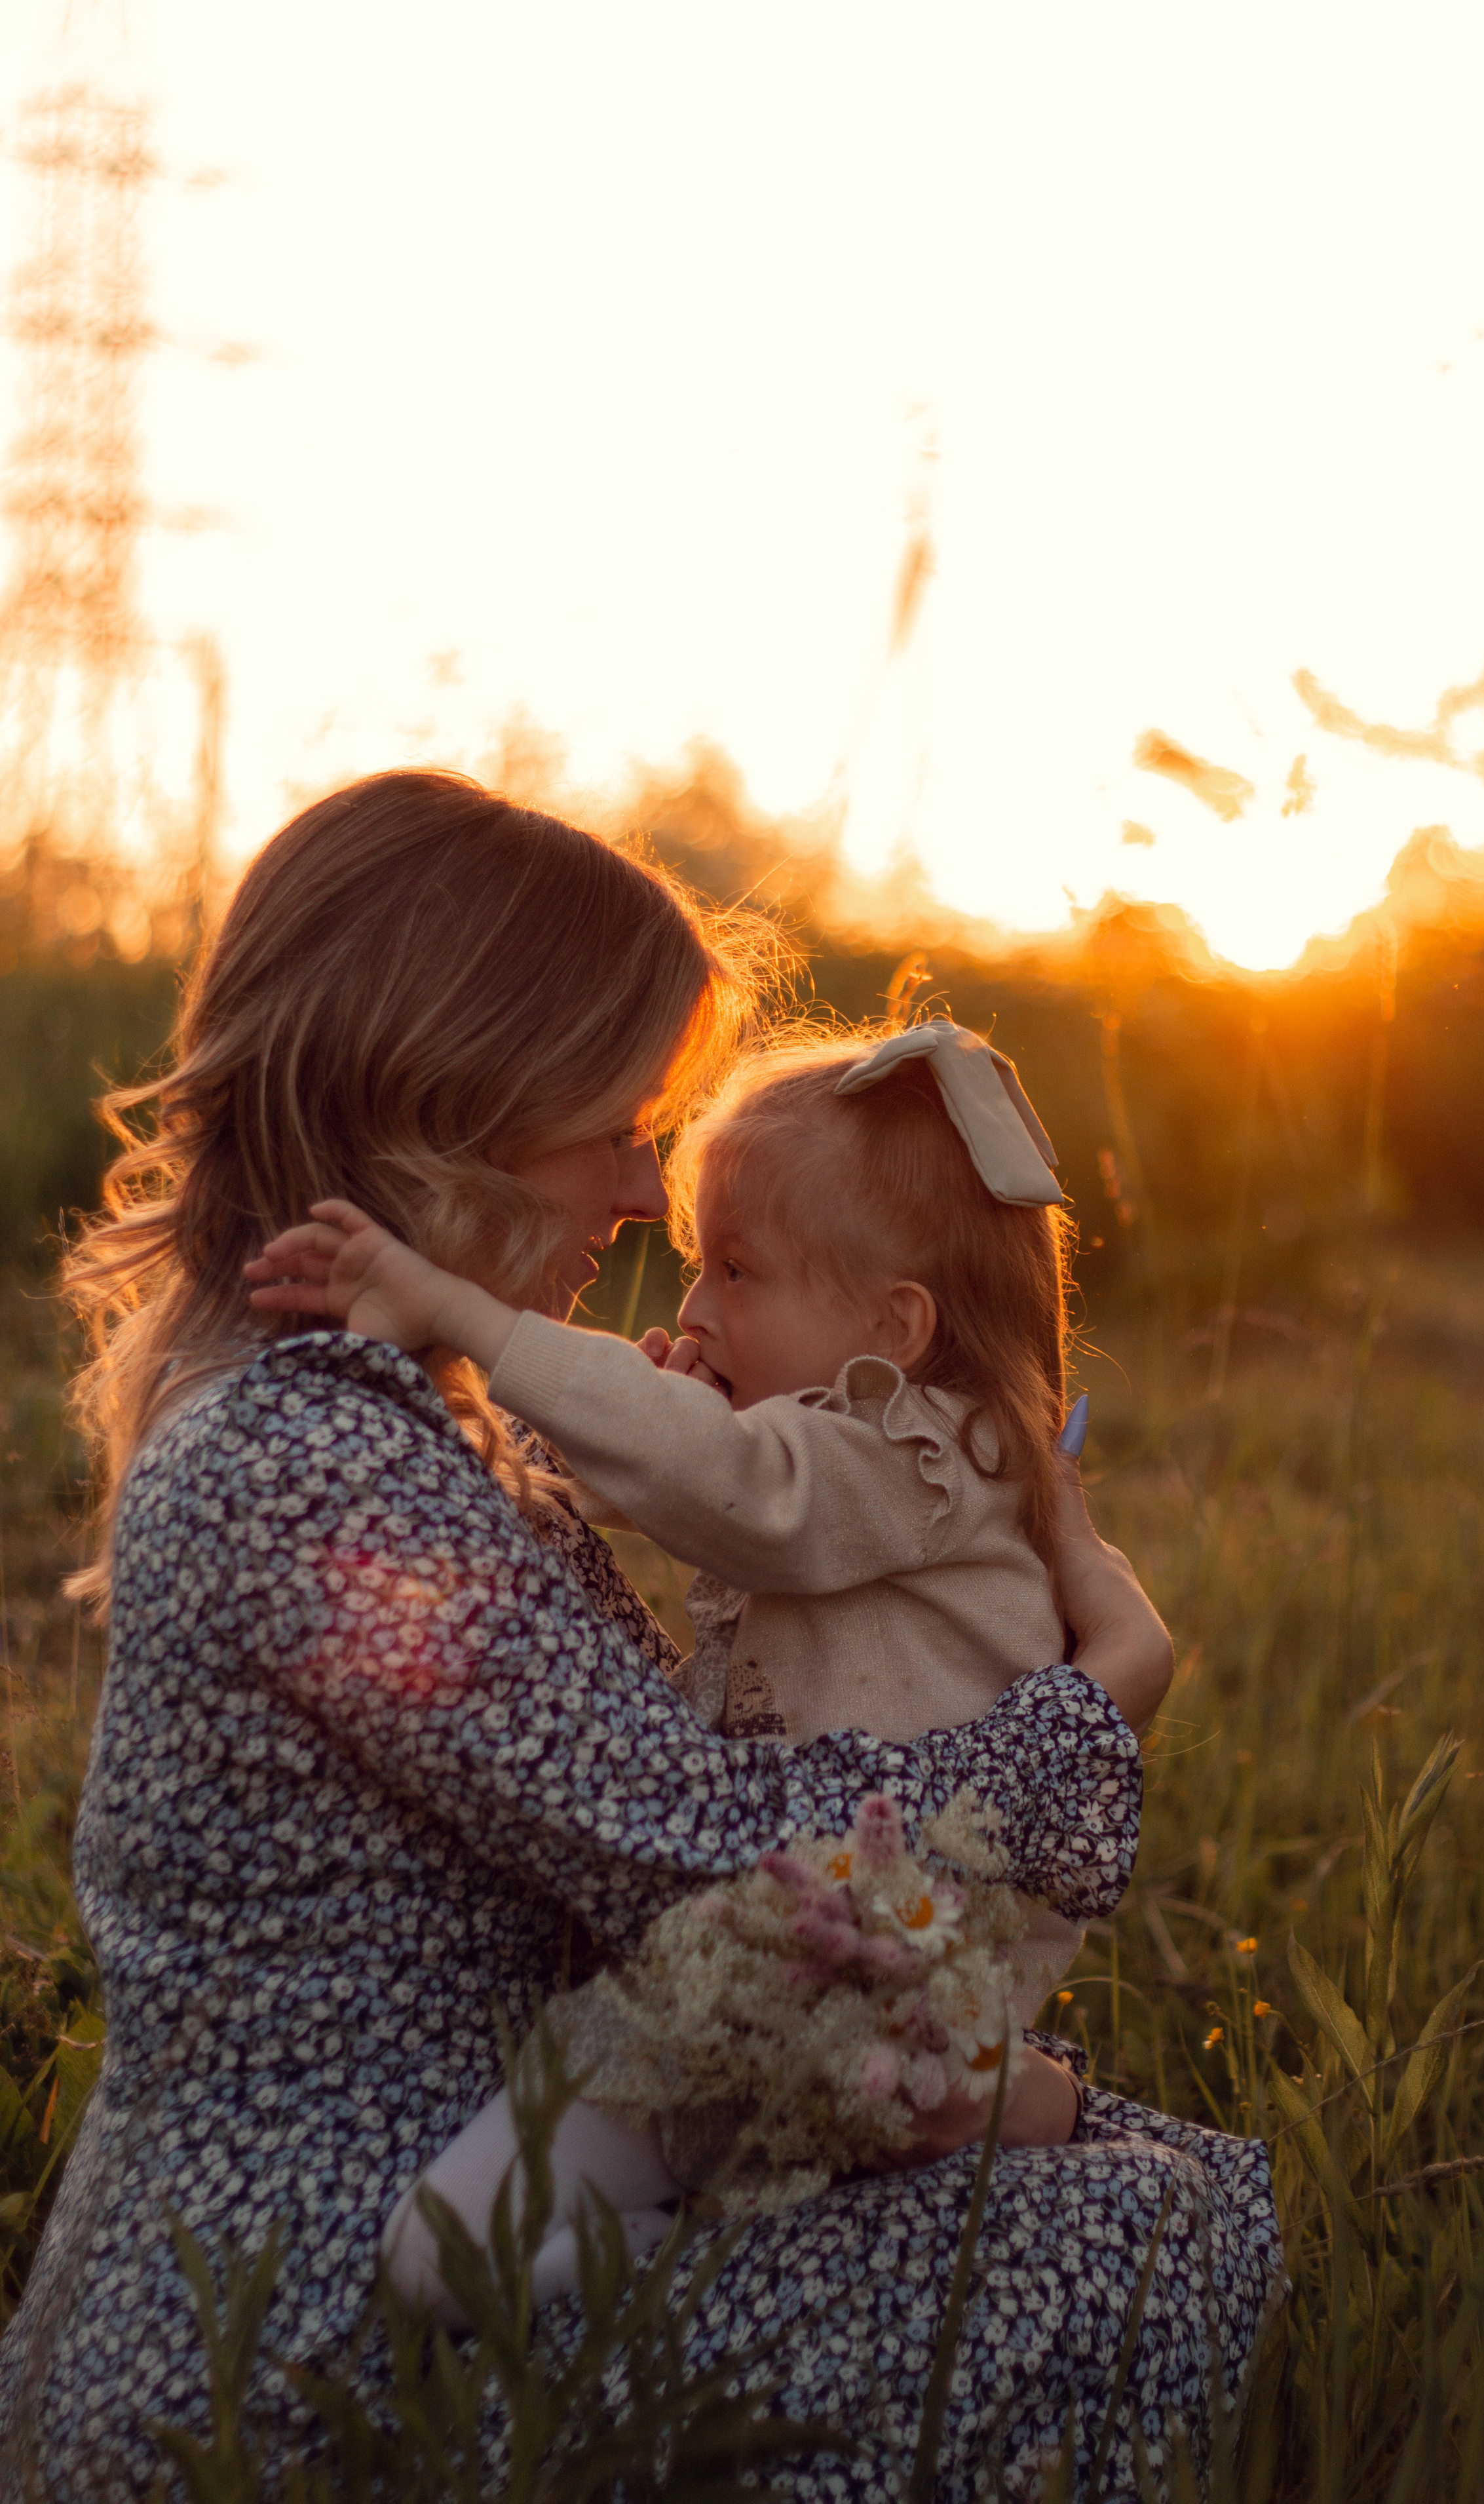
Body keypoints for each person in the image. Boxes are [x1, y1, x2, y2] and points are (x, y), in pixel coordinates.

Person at [0, 770, 1282, 2501]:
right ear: (446, 1098)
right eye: (613, 1126)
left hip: (486, 2189)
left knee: (1139, 2175)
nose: (632, 1193)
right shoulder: (309, 1465)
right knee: (1148, 2237)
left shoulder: (378, 1418)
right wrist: (1099, 1706)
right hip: (326, 2329)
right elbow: (704, 1857)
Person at [244, 1016, 1104, 2310]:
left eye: (736, 1272)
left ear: (897, 1326)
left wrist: (466, 1320)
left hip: (825, 1963)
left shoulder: (926, 1451)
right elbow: (701, 1481)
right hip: (766, 1966)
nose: (692, 1306)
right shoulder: (867, 1458)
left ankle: (972, 2100)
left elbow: (738, 1491)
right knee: (447, 2252)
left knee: (440, 2261)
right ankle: (953, 2110)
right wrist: (618, 1431)